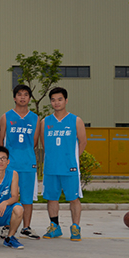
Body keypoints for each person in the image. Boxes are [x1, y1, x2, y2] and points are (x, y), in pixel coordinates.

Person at [36, 87, 87, 242]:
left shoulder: (76, 120)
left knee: (74, 198)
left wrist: (72, 159)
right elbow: (45, 145)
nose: (56, 103)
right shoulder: (45, 122)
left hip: (70, 168)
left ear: (66, 100)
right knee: (52, 198)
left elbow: (83, 142)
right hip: (51, 168)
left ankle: (75, 227)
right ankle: (55, 227)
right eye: (53, 100)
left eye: (59, 99)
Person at [0, 85, 41, 240]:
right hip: (11, 165)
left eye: (26, 94)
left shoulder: (35, 118)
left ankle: (26, 227)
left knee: (27, 198)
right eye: (19, 94)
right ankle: (7, 226)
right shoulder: (6, 116)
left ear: (29, 98)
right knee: (9, 196)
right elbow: (0, 141)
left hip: (28, 163)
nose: (22, 97)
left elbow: (34, 142)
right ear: (14, 97)